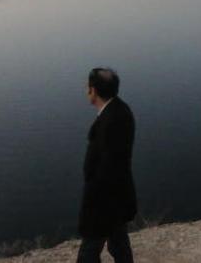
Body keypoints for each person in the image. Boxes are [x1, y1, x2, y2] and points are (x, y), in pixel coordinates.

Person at [78, 68, 137, 263]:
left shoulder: (111, 120)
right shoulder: (118, 110)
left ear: (93, 90)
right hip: (118, 197)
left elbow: (108, 167)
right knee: (118, 244)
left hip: (104, 201)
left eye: (88, 86)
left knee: (88, 253)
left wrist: (93, 199)